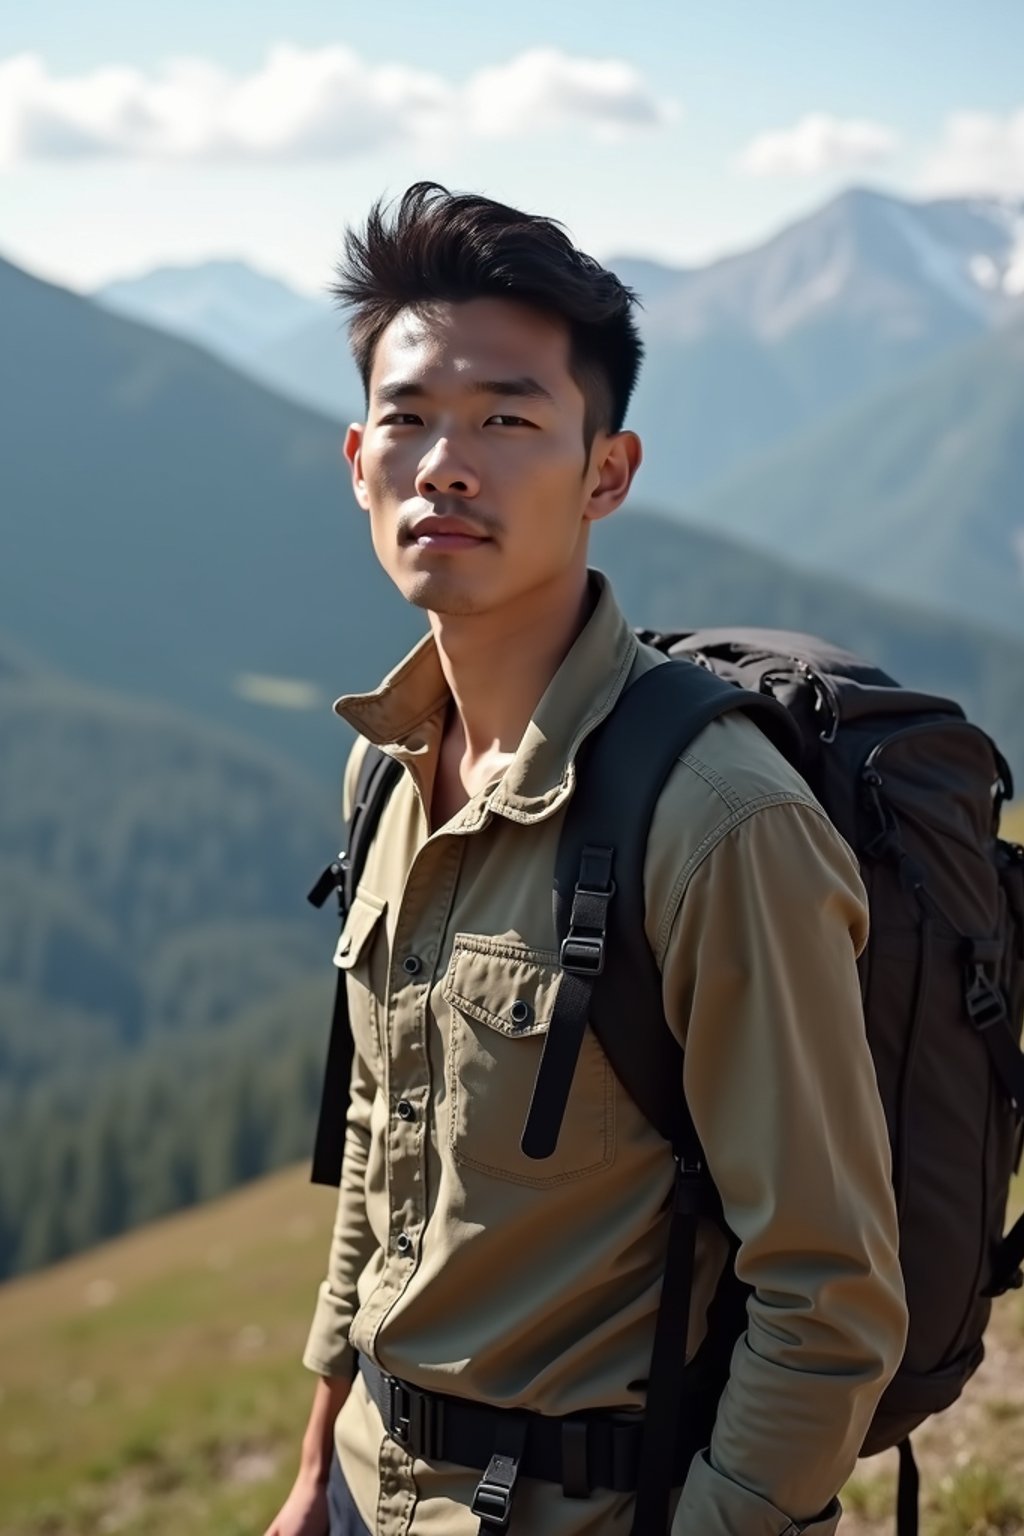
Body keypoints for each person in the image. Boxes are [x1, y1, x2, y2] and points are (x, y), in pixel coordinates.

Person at [264, 182, 908, 1536]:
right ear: (357, 462)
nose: (448, 462)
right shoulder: (386, 770)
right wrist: (321, 1459)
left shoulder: (718, 820)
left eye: (508, 420)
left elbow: (830, 1289)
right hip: (370, 1491)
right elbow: (381, 1141)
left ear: (605, 472)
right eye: (412, 418)